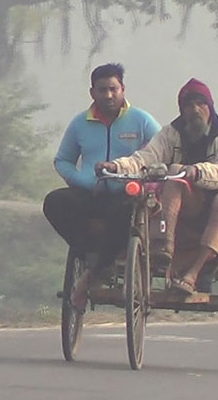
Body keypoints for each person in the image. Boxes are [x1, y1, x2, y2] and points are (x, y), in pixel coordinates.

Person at [97, 78, 218, 294]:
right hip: (186, 204)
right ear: (182, 110)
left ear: (210, 106)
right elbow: (145, 158)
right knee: (175, 172)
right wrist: (116, 166)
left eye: (200, 103)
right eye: (188, 105)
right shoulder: (171, 133)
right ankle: (163, 248)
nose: (195, 109)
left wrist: (197, 171)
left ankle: (193, 274)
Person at [43, 63, 161, 312]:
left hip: (127, 196)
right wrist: (82, 181)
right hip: (90, 193)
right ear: (92, 93)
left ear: (123, 90)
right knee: (54, 202)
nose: (108, 95)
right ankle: (88, 254)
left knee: (125, 215)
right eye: (102, 90)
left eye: (113, 89)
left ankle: (95, 271)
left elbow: (163, 156)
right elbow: (62, 160)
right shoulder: (80, 124)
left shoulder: (141, 121)